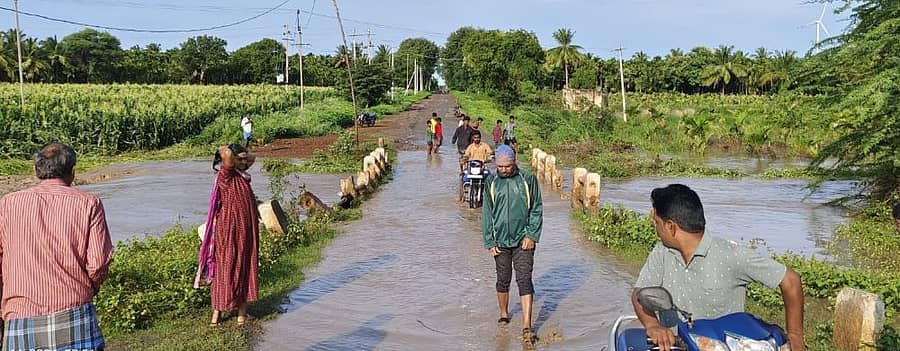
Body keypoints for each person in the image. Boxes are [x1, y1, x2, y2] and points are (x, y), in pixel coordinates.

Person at [632, 184, 805, 351]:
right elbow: (639, 293)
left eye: (657, 222)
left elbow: (790, 280)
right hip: (677, 345)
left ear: (670, 227)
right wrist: (653, 325)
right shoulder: (662, 252)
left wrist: (795, 336)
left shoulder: (730, 255)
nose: (655, 229)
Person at [0, 143, 114, 350]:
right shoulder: (89, 203)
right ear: (72, 172)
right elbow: (98, 263)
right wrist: (90, 287)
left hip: (20, 316)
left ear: (36, 170)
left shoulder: (8, 203)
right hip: (74, 314)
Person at [481, 145, 543, 345]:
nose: (504, 170)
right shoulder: (490, 181)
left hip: (523, 240)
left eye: (507, 166)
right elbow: (487, 214)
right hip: (500, 241)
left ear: (514, 162)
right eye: (500, 166)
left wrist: (531, 235)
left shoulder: (528, 180)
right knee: (503, 279)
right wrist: (490, 240)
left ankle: (526, 324)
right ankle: (504, 313)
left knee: (524, 279)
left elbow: (536, 209)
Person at [197, 144, 261, 327]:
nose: (243, 162)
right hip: (229, 230)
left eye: (244, 159)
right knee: (226, 266)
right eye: (238, 159)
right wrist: (230, 154)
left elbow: (252, 157)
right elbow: (224, 152)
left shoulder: (243, 176)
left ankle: (242, 313)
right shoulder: (226, 176)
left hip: (247, 230)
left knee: (246, 265)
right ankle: (216, 314)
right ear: (231, 161)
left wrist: (242, 155)